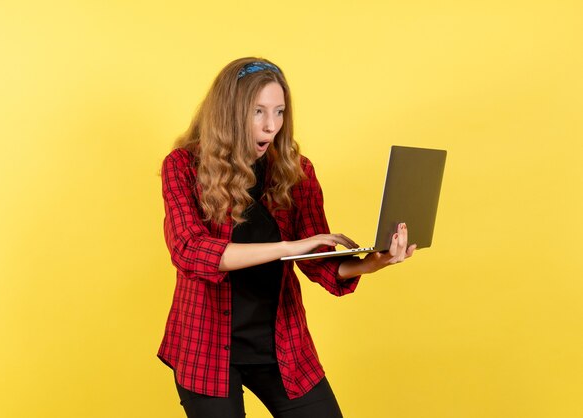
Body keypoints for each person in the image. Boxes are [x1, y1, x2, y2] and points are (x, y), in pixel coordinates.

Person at [158, 57, 416, 418]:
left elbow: (318, 261)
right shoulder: (182, 166)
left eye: (279, 112)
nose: (271, 125)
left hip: (280, 343)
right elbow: (190, 250)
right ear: (229, 113)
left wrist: (375, 262)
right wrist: (287, 248)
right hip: (207, 345)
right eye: (258, 112)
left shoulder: (297, 170)